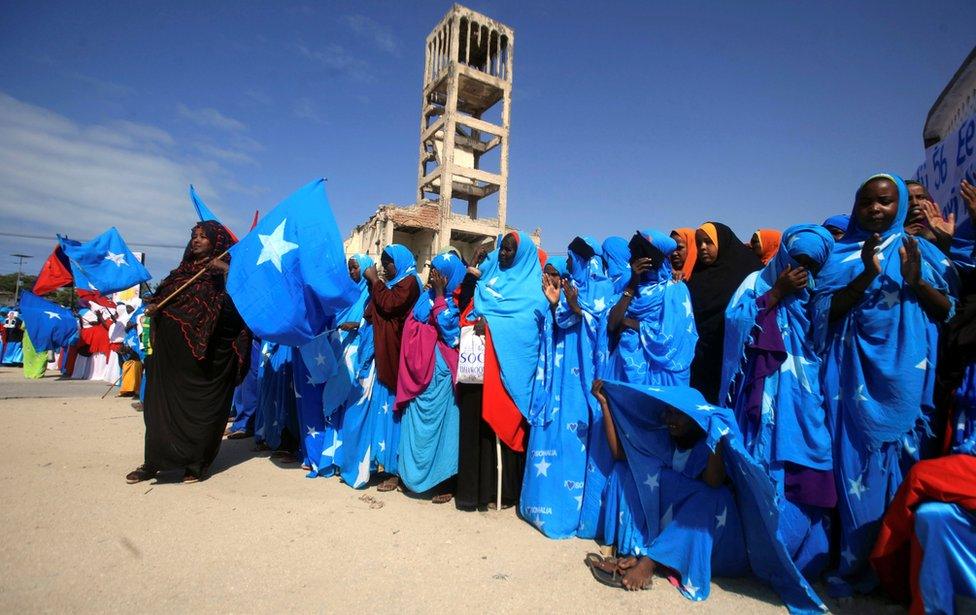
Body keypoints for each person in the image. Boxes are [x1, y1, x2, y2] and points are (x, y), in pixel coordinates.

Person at [812, 174, 956, 597]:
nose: (876, 209)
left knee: (901, 472)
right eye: (868, 202)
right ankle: (854, 563)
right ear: (855, 206)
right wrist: (863, 277)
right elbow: (823, 316)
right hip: (849, 382)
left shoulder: (919, 251)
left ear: (898, 207)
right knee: (853, 471)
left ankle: (894, 571)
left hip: (905, 383)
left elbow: (947, 310)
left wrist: (916, 283)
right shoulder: (838, 256)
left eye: (886, 201)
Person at [588, 380, 825, 612]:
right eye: (668, 414)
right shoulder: (664, 439)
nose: (671, 421)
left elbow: (713, 481)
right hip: (682, 524)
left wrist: (717, 436)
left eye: (678, 415)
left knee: (711, 495)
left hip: (720, 536)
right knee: (629, 472)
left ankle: (651, 562)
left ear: (695, 419)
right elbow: (621, 455)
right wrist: (606, 406)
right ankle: (642, 550)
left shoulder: (706, 446)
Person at [721, 224, 836, 577]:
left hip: (805, 394)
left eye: (810, 265)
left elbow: (825, 340)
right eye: (795, 261)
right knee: (761, 465)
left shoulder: (823, 292)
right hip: (761, 395)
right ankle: (758, 551)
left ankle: (799, 556)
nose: (802, 272)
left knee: (808, 463)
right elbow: (735, 321)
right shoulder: (756, 283)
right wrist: (776, 293)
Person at [126, 221, 251, 484]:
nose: (196, 241)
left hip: (203, 362)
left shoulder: (226, 276)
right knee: (159, 411)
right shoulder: (180, 275)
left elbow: (241, 309)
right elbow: (167, 303)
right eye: (194, 236)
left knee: (197, 413)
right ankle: (153, 462)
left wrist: (227, 271)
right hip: (168, 358)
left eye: (203, 237)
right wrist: (156, 308)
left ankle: (195, 464)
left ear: (215, 243)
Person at [522, 237, 610, 537]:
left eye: (571, 262)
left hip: (582, 379)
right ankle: (541, 504)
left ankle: (569, 514)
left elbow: (600, 326)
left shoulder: (601, 291)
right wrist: (561, 305)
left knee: (576, 441)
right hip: (557, 377)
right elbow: (559, 319)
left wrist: (574, 307)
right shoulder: (571, 292)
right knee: (552, 435)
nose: (568, 269)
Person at [456, 232, 548, 510]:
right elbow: (467, 306)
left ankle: (506, 493)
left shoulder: (534, 290)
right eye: (503, 249)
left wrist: (492, 326)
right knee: (476, 429)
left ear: (521, 254)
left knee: (503, 429)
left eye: (509, 251)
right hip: (480, 366)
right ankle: (474, 495)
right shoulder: (490, 276)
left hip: (511, 371)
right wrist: (473, 272)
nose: (504, 254)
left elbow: (527, 328)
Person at [396, 251, 466, 500]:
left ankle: (441, 482)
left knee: (443, 428)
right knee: (415, 427)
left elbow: (451, 333)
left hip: (441, 376)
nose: (432, 276)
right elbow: (412, 326)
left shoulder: (455, 302)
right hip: (417, 375)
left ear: (449, 277)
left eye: (439, 273)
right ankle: (410, 477)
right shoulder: (422, 299)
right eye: (432, 270)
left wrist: (439, 296)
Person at [361, 244, 421, 492]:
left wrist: (375, 280)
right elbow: (372, 311)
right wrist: (375, 285)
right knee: (383, 413)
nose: (385, 267)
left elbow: (389, 304)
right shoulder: (396, 283)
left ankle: (395, 469)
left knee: (395, 414)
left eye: (389, 262)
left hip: (398, 358)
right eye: (383, 263)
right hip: (387, 356)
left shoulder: (410, 283)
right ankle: (382, 463)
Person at [687, 222, 762, 403]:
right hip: (701, 361)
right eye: (699, 243)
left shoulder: (749, 272)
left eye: (708, 242)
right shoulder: (695, 277)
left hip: (734, 357)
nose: (702, 248)